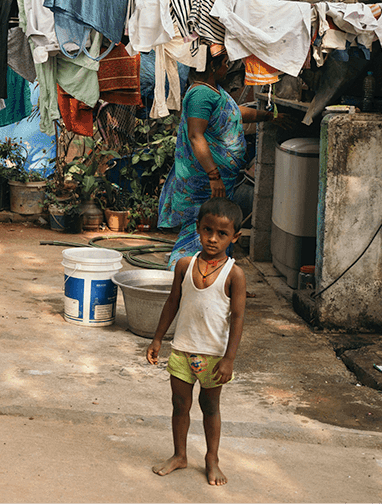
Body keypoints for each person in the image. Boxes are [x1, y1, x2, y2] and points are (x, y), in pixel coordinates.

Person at [146, 197, 247, 487]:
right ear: (198, 229)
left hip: (214, 356)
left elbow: (238, 318)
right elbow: (172, 303)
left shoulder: (235, 275)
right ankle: (180, 455)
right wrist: (157, 339)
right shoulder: (184, 265)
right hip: (182, 349)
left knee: (210, 407)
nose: (213, 239)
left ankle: (211, 459)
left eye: (222, 234)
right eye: (207, 230)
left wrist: (229, 359)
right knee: (180, 404)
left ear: (234, 237)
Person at [157, 46, 273, 268]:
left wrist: (268, 117)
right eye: (225, 64)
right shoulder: (201, 94)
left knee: (219, 232)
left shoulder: (214, 91)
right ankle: (181, 281)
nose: (227, 68)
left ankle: (218, 282)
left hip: (217, 182)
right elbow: (195, 135)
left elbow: (234, 113)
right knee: (198, 234)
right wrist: (213, 175)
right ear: (212, 66)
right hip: (204, 183)